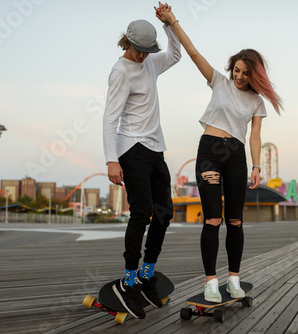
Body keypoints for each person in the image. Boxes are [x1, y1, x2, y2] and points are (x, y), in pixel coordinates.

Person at [157, 3, 283, 303]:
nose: (239, 76)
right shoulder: (219, 82)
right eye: (237, 70)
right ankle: (211, 282)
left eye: (245, 73)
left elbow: (255, 135)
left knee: (235, 221)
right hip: (210, 153)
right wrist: (172, 21)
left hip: (237, 157)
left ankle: (234, 279)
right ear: (232, 68)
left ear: (255, 75)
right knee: (213, 219)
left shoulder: (257, 102)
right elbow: (193, 52)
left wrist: (256, 167)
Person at [102, 3, 181, 319]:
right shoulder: (120, 72)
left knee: (164, 213)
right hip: (130, 149)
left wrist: (169, 25)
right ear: (128, 43)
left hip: (155, 149)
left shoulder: (150, 63)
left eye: (148, 51)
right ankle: (129, 278)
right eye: (139, 51)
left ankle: (148, 272)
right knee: (142, 212)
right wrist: (111, 160)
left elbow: (175, 55)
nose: (144, 56)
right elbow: (109, 119)